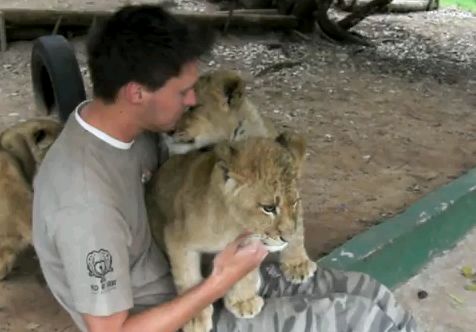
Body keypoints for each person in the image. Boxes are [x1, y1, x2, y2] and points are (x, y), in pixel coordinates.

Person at [32, 4, 421, 332]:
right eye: (184, 94)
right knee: (364, 318)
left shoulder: (140, 129)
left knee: (371, 293)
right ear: (137, 93)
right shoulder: (85, 203)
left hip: (200, 272)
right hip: (172, 313)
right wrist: (221, 280)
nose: (191, 102)